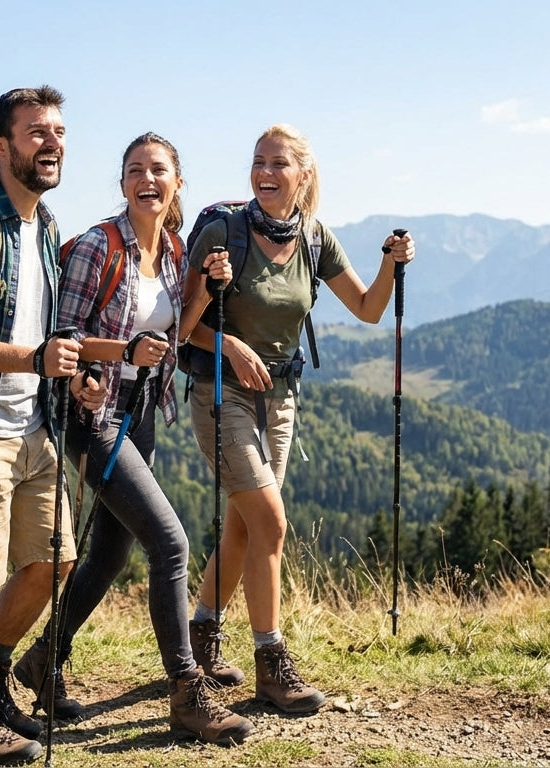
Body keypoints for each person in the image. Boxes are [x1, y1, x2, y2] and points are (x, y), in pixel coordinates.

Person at [12, 132, 255, 746]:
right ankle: (186, 689)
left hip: (142, 413)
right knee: (170, 544)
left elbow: (175, 336)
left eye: (159, 170)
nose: (147, 179)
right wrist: (100, 369)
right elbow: (65, 333)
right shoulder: (99, 246)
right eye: (135, 170)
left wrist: (206, 284)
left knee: (112, 554)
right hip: (92, 416)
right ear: (122, 184)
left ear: (176, 182)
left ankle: (43, 660)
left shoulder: (175, 252)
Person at [182, 124, 415, 713]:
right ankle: (271, 660)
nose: (264, 172)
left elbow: (367, 309)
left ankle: (199, 641)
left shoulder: (314, 238)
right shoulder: (222, 232)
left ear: (302, 175)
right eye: (258, 161)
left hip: (282, 400)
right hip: (221, 394)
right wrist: (229, 344)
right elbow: (180, 326)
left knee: (245, 527)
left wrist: (390, 263)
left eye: (277, 163)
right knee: (272, 523)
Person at [0, 85, 105, 764]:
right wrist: (33, 358)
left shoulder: (50, 227)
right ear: (2, 145)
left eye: (60, 132)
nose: (52, 143)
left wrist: (72, 370)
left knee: (55, 561)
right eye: (36, 132)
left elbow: (48, 330)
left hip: (36, 423)